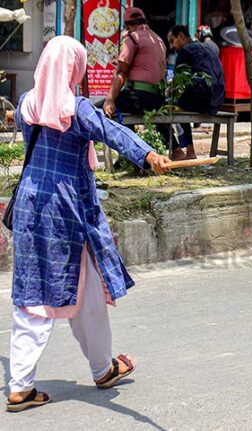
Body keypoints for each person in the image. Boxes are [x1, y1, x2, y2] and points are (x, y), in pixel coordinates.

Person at [5, 36, 169, 412]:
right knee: (82, 289)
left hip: (31, 204)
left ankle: (24, 383)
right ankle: (97, 368)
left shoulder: (27, 104)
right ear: (73, 69)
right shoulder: (75, 109)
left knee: (39, 291)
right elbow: (113, 132)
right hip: (66, 207)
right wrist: (148, 154)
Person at [167, 25, 225, 160]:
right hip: (218, 101)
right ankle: (189, 150)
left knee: (174, 105)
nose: (171, 46)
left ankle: (187, 149)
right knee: (180, 102)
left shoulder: (185, 51)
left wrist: (168, 89)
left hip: (204, 100)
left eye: (172, 41)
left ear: (181, 36)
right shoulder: (207, 47)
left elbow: (177, 83)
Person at [102, 7, 166, 118]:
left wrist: (110, 99)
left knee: (100, 109)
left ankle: (125, 135)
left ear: (127, 26)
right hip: (158, 100)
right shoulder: (159, 39)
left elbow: (121, 73)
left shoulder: (132, 38)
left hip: (139, 99)